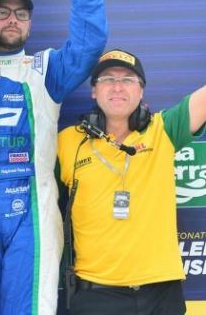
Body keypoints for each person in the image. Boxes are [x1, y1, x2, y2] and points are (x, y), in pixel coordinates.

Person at [0, 0, 107, 315]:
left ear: (29, 22)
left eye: (22, 14)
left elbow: (89, 46)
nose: (12, 20)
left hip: (32, 215)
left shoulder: (44, 69)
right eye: (2, 12)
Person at [58, 49, 206, 315]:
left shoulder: (163, 130)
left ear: (141, 91)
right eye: (107, 79)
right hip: (96, 296)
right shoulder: (67, 142)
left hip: (162, 294)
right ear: (94, 91)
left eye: (127, 79)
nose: (117, 87)